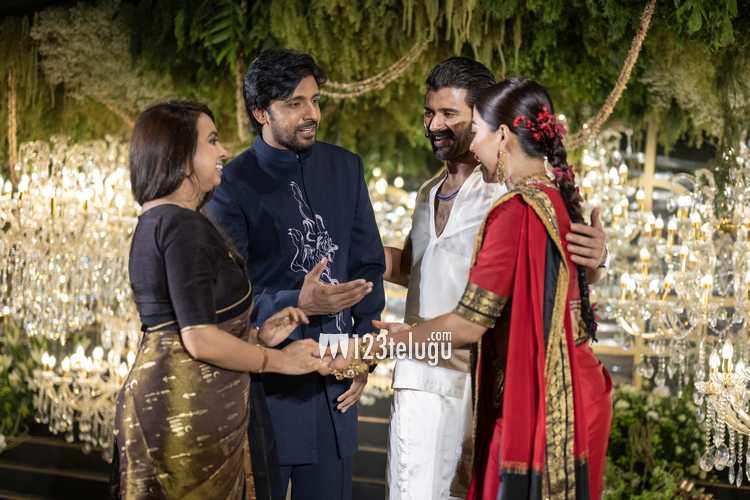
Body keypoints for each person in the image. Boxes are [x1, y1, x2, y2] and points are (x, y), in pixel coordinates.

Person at [375, 78, 612, 500]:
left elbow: (470, 323)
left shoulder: (514, 207)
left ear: (501, 135)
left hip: (535, 392)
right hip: (573, 390)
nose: (473, 144)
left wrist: (394, 341)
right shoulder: (552, 198)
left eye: (475, 131)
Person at [114, 101, 331, 500]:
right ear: (181, 157)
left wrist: (258, 336)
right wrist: (279, 360)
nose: (224, 151)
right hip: (186, 411)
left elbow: (185, 324)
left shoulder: (158, 221)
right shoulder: (181, 225)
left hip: (182, 401)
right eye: (212, 141)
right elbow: (199, 339)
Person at [205, 49, 385, 500]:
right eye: (294, 103)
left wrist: (362, 358)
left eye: (315, 100)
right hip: (268, 394)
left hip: (336, 393)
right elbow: (226, 295)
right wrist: (297, 301)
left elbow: (368, 268)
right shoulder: (231, 185)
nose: (312, 114)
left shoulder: (345, 167)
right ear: (260, 112)